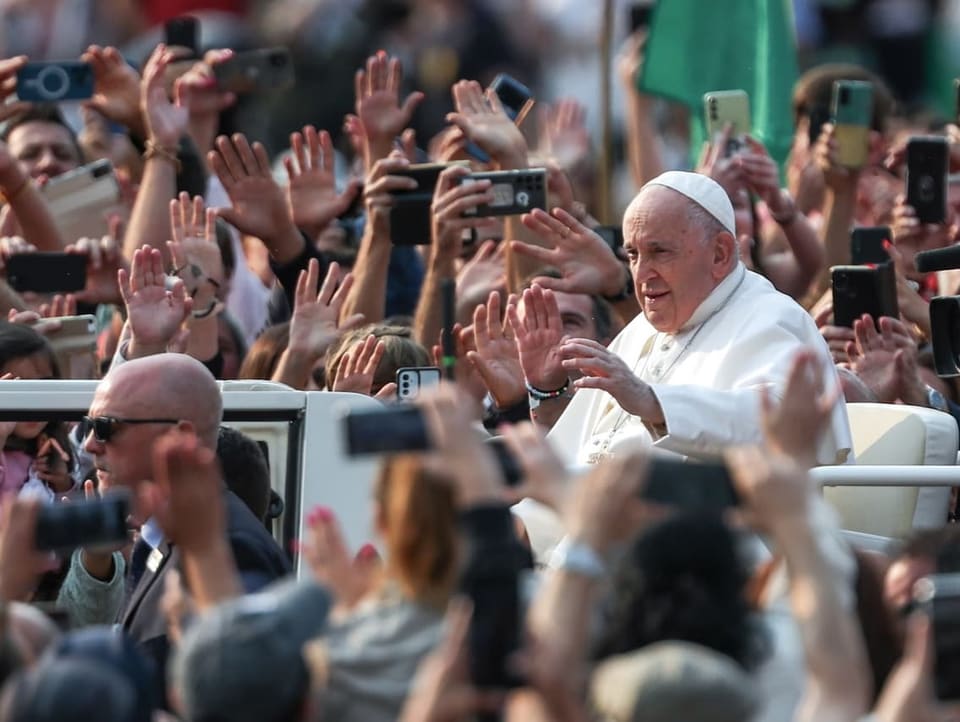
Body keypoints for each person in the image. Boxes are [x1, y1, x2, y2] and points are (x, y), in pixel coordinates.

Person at [518, 171, 851, 466]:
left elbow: (781, 423)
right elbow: (578, 451)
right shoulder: (640, 331)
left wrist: (653, 402)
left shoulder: (772, 318)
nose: (641, 273)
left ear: (719, 254)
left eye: (659, 252)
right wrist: (546, 389)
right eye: (633, 255)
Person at [56, 353, 289, 699]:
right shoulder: (164, 536)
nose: (90, 445)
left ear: (180, 436)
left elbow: (242, 699)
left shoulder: (230, 548)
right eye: (88, 427)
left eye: (106, 427)